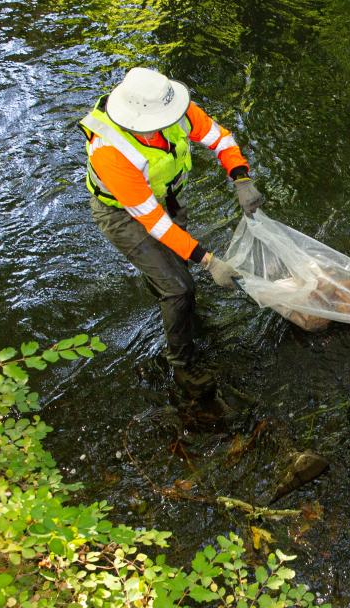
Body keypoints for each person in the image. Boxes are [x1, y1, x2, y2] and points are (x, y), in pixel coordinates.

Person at [79, 67, 263, 395]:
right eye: (154, 126)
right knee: (179, 288)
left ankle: (174, 299)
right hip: (121, 214)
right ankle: (181, 365)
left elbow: (219, 138)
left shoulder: (174, 109)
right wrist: (210, 261)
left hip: (165, 196)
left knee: (178, 272)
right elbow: (154, 223)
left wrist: (241, 177)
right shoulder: (112, 152)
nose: (164, 127)